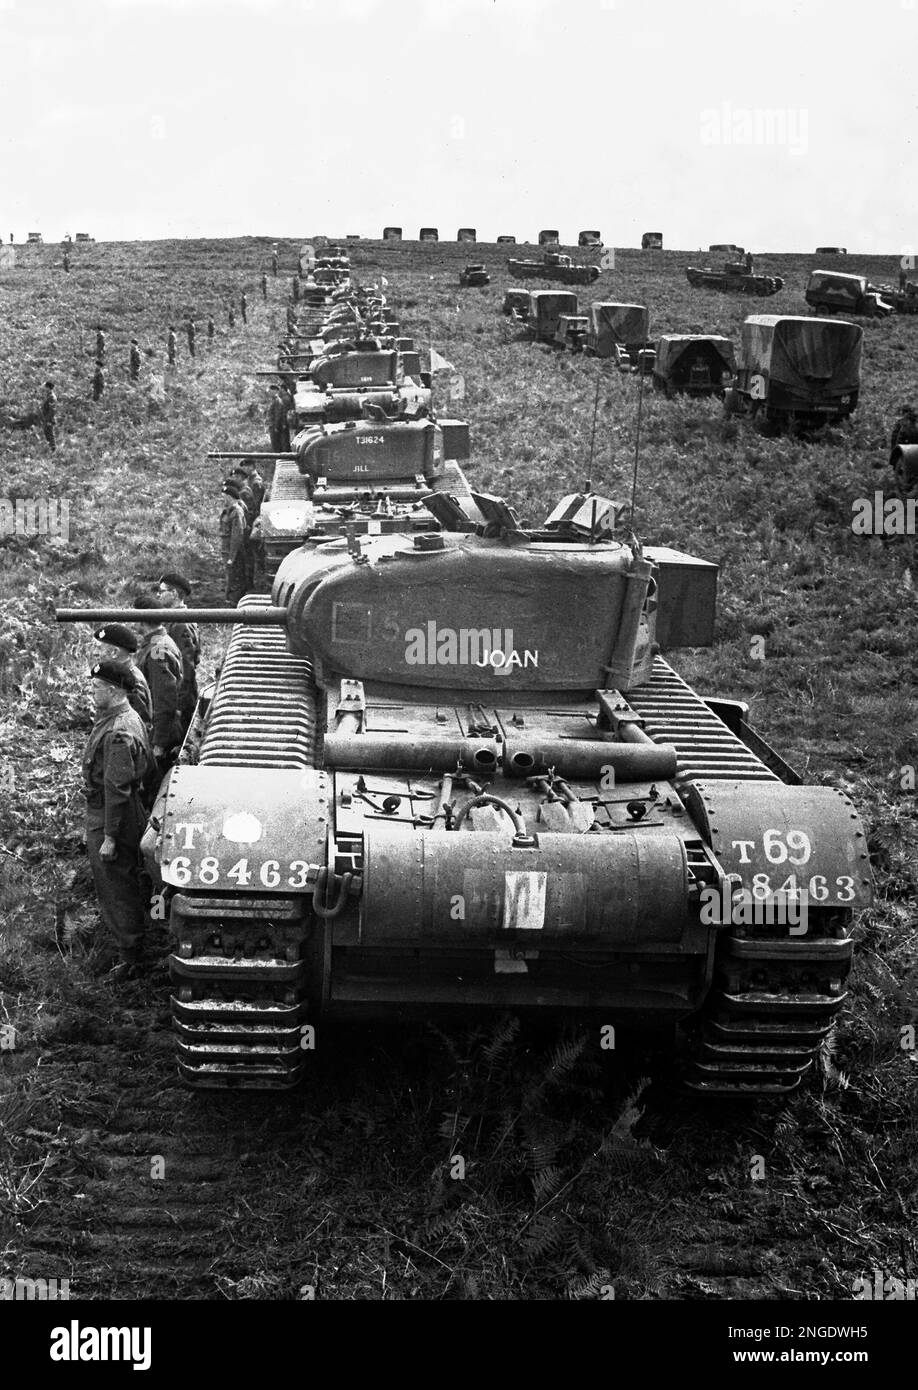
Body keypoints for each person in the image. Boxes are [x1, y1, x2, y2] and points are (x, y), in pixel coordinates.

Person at [82, 661, 152, 976]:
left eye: (96, 687)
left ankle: (130, 957)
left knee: (115, 885)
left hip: (113, 815)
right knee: (125, 880)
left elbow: (116, 788)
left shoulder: (118, 732)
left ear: (113, 691)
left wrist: (109, 836)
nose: (91, 691)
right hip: (122, 810)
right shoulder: (124, 717)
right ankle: (134, 941)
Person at [133, 595, 183, 767]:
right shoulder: (158, 641)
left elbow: (164, 698)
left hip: (160, 735)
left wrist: (159, 744)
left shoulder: (157, 650)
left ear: (141, 619)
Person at [156, 572, 200, 733]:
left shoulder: (180, 624)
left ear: (174, 593)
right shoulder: (176, 619)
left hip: (178, 701)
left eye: (162, 591)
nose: (158, 595)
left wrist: (179, 708)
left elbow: (186, 670)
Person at [93, 623, 152, 732]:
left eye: (99, 649)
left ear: (114, 652)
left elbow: (136, 727)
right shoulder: (114, 675)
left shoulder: (130, 681)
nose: (95, 653)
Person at [220, 480, 248, 605]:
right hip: (227, 550)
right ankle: (230, 600)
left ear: (230, 497)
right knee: (230, 577)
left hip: (233, 551)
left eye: (224, 497)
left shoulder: (236, 511)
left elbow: (237, 536)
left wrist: (232, 557)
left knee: (235, 578)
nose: (223, 500)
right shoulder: (229, 510)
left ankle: (234, 603)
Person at [267, 383, 285, 451]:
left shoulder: (277, 401)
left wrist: (276, 427)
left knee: (276, 445)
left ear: (275, 391)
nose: (270, 392)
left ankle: (279, 459)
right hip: (272, 425)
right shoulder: (273, 400)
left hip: (275, 426)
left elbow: (278, 415)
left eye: (271, 391)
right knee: (275, 444)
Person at [40, 381, 56, 451]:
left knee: (50, 433)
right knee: (47, 433)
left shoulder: (52, 397)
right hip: (46, 418)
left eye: (45, 387)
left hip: (49, 419)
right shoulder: (48, 395)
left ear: (48, 388)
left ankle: (53, 449)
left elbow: (52, 410)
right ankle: (50, 448)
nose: (44, 388)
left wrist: (48, 419)